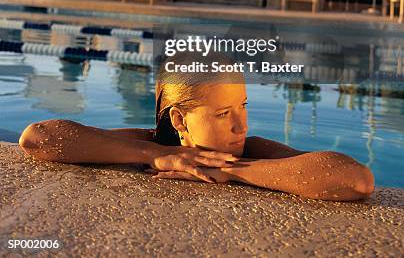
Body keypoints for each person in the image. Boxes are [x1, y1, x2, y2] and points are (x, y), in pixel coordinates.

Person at [18, 54, 374, 202]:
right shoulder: (150, 143)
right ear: (179, 120)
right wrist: (160, 156)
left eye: (243, 107)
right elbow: (37, 138)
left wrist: (232, 170)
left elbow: (356, 179)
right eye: (223, 113)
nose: (241, 125)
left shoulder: (253, 149)